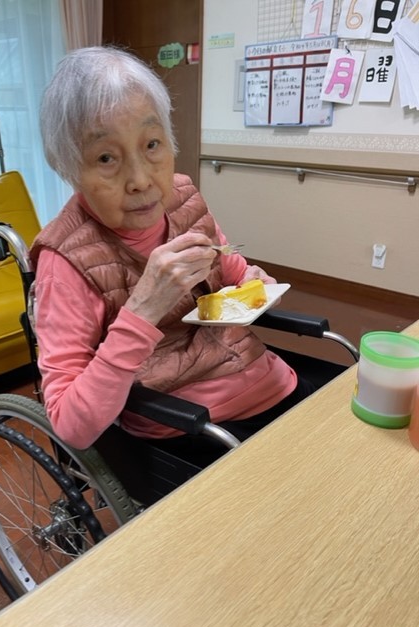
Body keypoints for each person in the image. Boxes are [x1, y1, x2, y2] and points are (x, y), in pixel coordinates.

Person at [30, 45, 315, 466]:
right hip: (195, 427)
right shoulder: (64, 263)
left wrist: (254, 283)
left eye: (152, 144)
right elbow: (71, 425)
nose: (141, 179)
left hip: (273, 384)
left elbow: (235, 273)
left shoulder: (182, 196)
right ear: (70, 170)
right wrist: (143, 309)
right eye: (106, 157)